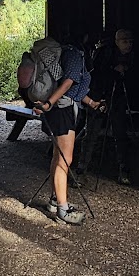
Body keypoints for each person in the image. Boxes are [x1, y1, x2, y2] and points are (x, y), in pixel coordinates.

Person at [31, 34, 91, 225]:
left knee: (58, 156)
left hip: (58, 108)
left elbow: (74, 89)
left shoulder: (65, 52)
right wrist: (49, 103)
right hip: (62, 109)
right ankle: (63, 210)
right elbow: (68, 84)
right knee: (66, 159)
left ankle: (55, 200)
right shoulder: (74, 54)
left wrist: (92, 102)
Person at [83, 28, 134, 184]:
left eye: (130, 42)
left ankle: (123, 170)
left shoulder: (130, 56)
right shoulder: (103, 53)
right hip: (99, 96)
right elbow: (96, 74)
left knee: (120, 133)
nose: (129, 45)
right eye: (125, 41)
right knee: (91, 132)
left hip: (117, 98)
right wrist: (113, 70)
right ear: (117, 41)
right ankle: (81, 169)